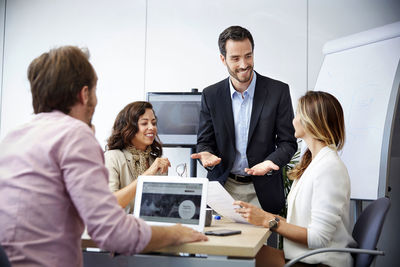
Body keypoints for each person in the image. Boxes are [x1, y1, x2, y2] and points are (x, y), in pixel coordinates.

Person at [0, 46, 207, 267]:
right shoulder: (75, 135)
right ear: (85, 94)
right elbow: (113, 233)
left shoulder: (13, 138)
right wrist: (174, 233)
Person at [234, 91, 355, 267]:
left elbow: (318, 239)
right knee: (237, 253)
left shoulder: (329, 168)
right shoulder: (314, 163)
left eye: (297, 114)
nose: (293, 120)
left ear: (311, 121)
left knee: (237, 260)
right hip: (303, 258)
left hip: (319, 263)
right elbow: (297, 224)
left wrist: (265, 220)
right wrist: (259, 215)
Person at [191, 25, 297, 214]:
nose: (243, 64)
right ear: (223, 59)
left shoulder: (278, 92)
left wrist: (270, 163)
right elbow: (204, 142)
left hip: (263, 191)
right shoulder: (211, 95)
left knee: (264, 244)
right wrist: (205, 154)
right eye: (235, 58)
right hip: (224, 188)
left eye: (248, 56)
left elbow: (288, 142)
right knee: (221, 244)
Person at [105, 101, 171, 213]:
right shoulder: (112, 158)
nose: (152, 128)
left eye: (154, 123)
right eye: (144, 123)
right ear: (128, 127)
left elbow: (160, 207)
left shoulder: (155, 161)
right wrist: (147, 175)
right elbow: (109, 204)